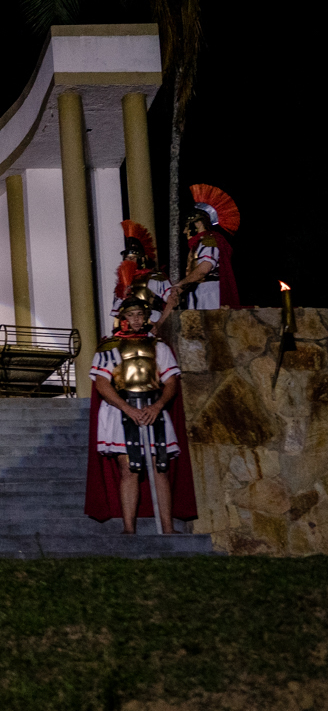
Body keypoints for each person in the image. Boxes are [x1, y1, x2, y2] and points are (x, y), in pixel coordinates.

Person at [84, 297, 200, 533]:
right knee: (129, 469)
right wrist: (127, 409)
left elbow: (170, 382)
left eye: (140, 314)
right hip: (121, 413)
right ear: (123, 318)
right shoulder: (109, 348)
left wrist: (157, 407)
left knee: (161, 468)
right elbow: (103, 384)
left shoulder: (159, 347)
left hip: (153, 409)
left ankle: (168, 529)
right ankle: (129, 529)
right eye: (131, 315)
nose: (136, 319)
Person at [175, 183, 241, 310]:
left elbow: (204, 269)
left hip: (209, 294)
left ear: (199, 223)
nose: (184, 231)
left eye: (188, 225)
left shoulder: (209, 240)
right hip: (200, 292)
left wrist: (181, 284)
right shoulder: (201, 242)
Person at [114, 220, 174, 331]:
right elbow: (117, 313)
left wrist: (159, 323)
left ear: (141, 260)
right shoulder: (122, 283)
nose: (128, 262)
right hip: (129, 330)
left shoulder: (154, 278)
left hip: (152, 323)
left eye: (132, 258)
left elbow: (172, 300)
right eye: (126, 259)